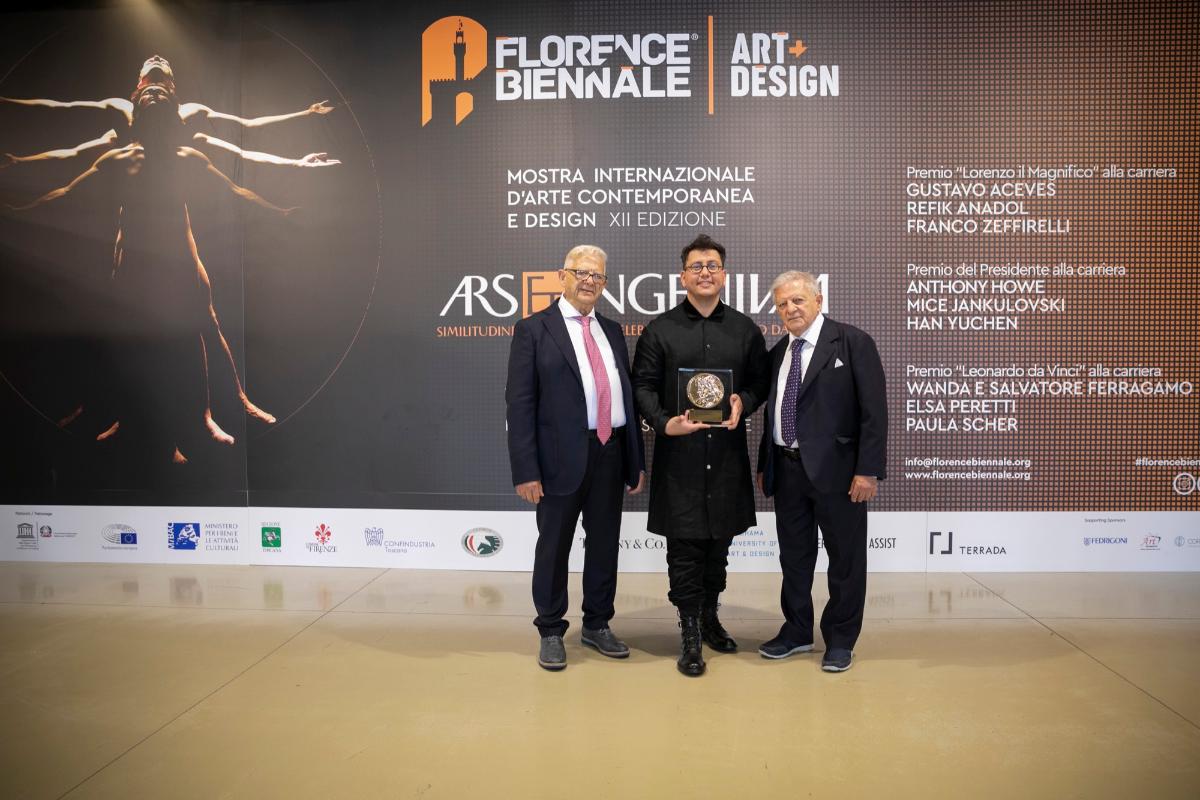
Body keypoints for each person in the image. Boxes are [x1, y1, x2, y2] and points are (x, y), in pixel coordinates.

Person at [8, 83, 295, 463]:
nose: (154, 95)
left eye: (162, 93)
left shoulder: (187, 157)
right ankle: (122, 418)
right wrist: (17, 211)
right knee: (127, 340)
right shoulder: (118, 158)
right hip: (133, 263)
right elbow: (66, 192)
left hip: (181, 260)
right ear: (136, 109)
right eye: (148, 94)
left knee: (200, 330)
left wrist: (278, 211)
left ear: (173, 107)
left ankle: (213, 414)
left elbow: (234, 190)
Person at [632, 234, 769, 676]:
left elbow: (760, 383)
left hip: (726, 459)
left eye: (712, 265)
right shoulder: (660, 330)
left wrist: (743, 402)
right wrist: (664, 423)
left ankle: (710, 618)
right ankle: (689, 632)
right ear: (682, 276)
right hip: (680, 462)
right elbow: (642, 387)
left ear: (724, 275)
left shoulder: (745, 330)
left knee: (718, 549)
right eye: (696, 266)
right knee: (684, 551)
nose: (705, 272)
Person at [505, 245, 645, 671]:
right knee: (554, 546)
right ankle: (550, 629)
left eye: (597, 275)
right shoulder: (533, 329)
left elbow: (625, 397)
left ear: (604, 283)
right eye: (581, 272)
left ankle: (597, 624)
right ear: (562, 276)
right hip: (557, 460)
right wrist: (526, 470)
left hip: (610, 452)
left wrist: (634, 459)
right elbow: (519, 404)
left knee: (604, 545)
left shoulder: (612, 330)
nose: (589, 281)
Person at [756, 270, 887, 672]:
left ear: (818, 300)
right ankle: (796, 631)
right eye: (782, 304)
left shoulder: (853, 342)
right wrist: (765, 463)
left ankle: (841, 639)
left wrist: (867, 470)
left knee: (845, 560)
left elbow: (874, 411)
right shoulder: (779, 352)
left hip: (840, 474)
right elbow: (774, 412)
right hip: (787, 471)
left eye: (798, 300)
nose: (790, 309)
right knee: (794, 558)